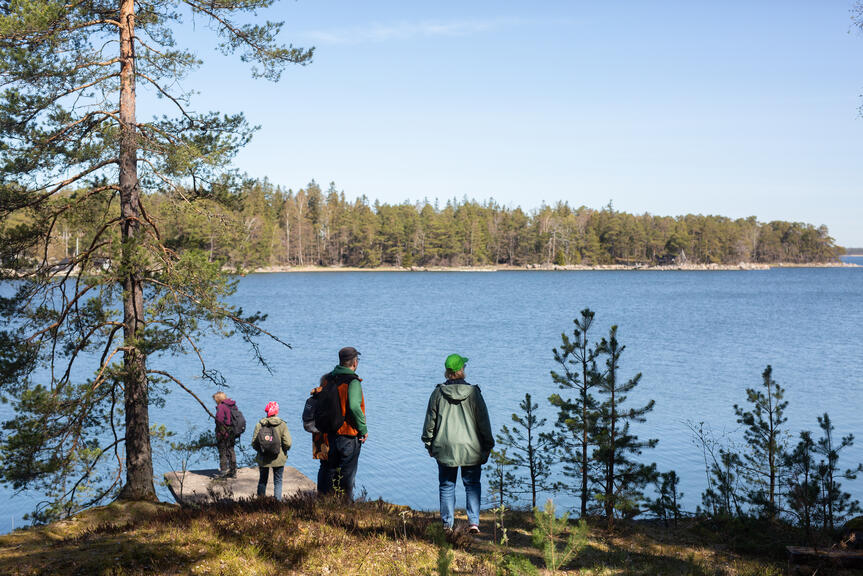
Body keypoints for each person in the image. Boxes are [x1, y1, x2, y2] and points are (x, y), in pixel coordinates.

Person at [421, 354, 494, 534]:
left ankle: (447, 524)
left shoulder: (438, 393)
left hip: (445, 446)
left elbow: (430, 422)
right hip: (471, 446)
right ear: (462, 370)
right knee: (472, 484)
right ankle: (474, 523)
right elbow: (483, 421)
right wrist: (488, 444)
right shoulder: (474, 393)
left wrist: (428, 444)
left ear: (447, 371)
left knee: (447, 484)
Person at [320, 346, 368, 500]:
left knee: (329, 469)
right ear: (354, 363)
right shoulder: (352, 382)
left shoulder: (328, 379)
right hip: (348, 434)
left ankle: (325, 502)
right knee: (347, 474)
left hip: (330, 433)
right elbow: (354, 407)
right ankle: (345, 506)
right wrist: (363, 429)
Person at [251, 401, 292, 499]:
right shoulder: (282, 425)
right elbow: (288, 443)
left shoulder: (259, 424)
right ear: (277, 411)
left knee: (262, 480)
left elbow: (254, 443)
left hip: (263, 458)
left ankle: (260, 503)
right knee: (278, 481)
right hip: (279, 457)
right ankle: (277, 504)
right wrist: (283, 451)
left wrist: (261, 451)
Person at [309, 374, 330, 494]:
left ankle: (321, 493)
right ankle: (330, 494)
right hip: (327, 435)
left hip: (317, 435)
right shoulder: (328, 396)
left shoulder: (316, 395)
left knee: (323, 466)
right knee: (332, 466)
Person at [213, 391, 238, 478]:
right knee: (231, 451)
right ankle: (233, 471)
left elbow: (219, 420)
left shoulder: (221, 407)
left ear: (218, 399)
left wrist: (220, 432)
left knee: (223, 452)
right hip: (232, 433)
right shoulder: (233, 405)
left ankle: (223, 471)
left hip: (223, 433)